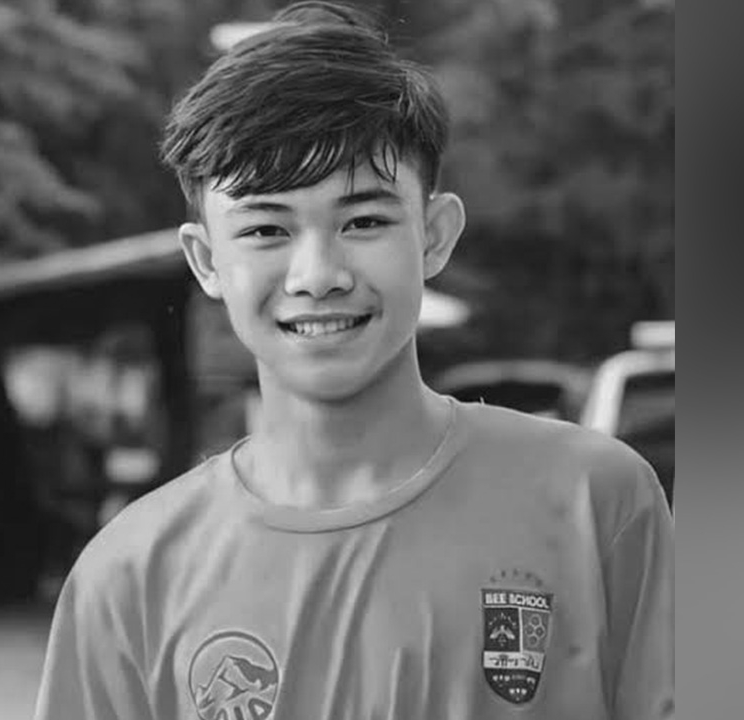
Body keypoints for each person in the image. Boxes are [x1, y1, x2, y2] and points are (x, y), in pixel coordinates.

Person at [34, 3, 673, 719]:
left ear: (434, 235)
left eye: (364, 220)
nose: (318, 274)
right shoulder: (131, 574)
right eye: (266, 228)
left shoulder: (595, 502)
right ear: (207, 260)